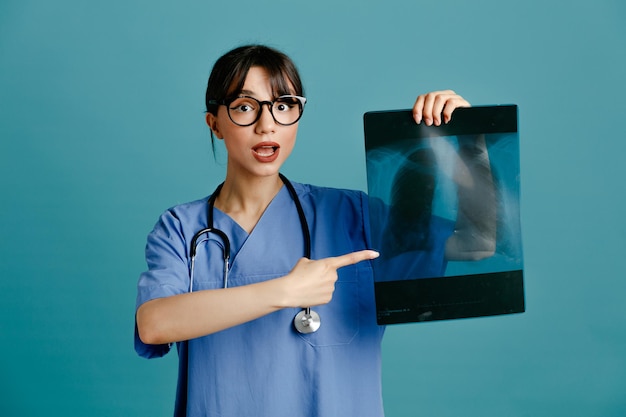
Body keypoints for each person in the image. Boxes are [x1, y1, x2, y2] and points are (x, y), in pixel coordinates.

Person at [134, 44, 495, 417]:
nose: (267, 124)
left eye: (284, 105)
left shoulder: (352, 216)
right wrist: (285, 291)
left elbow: (477, 244)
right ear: (214, 122)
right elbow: (154, 324)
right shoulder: (182, 229)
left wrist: (472, 141)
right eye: (244, 107)